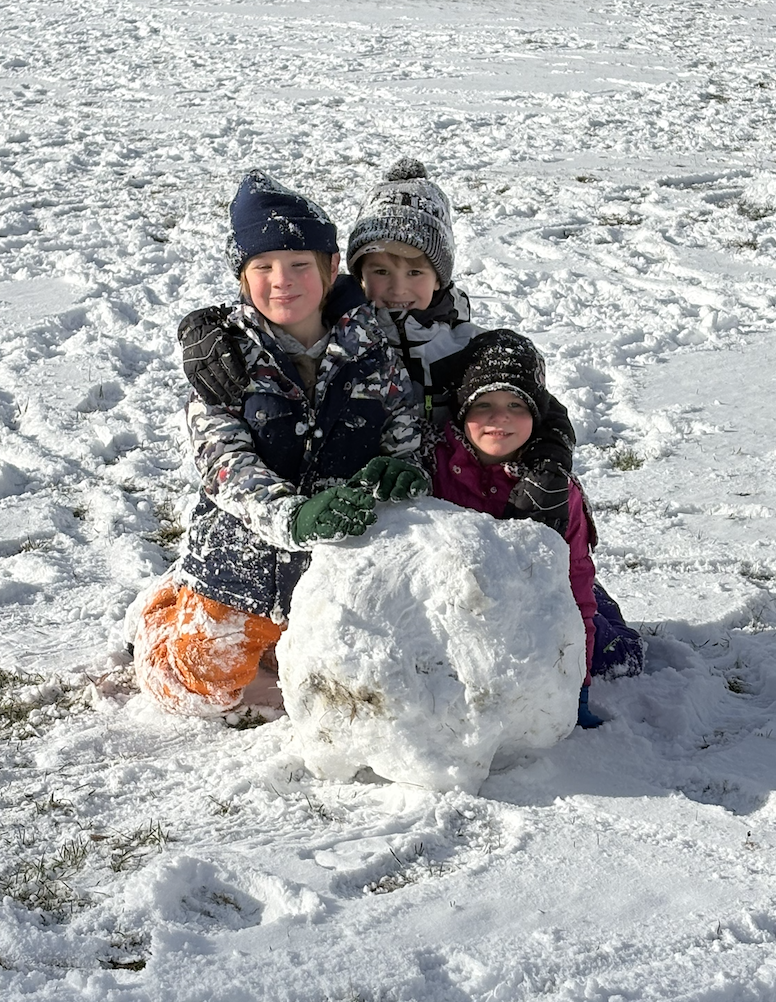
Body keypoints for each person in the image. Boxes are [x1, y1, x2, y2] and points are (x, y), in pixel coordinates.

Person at [130, 169, 428, 717]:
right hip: (245, 557)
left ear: (331, 267)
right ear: (243, 278)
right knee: (199, 686)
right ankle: (162, 611)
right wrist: (291, 516)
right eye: (262, 267)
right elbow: (222, 463)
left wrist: (402, 470)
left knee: (358, 682)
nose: (282, 281)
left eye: (298, 265)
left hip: (340, 555)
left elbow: (404, 432)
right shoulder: (223, 358)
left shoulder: (372, 349)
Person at [178, 158, 576, 537]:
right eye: (381, 271)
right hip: (337, 517)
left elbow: (532, 403)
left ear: (440, 276)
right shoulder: (351, 337)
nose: (398, 288)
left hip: (453, 501)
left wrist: (550, 456)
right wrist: (201, 326)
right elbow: (266, 311)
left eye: (416, 272)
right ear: (352, 272)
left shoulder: (461, 347)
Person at [422, 328, 644, 728]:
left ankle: (613, 623)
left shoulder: (555, 489)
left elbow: (573, 587)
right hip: (480, 598)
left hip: (548, 589)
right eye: (483, 404)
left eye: (515, 405)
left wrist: (577, 686)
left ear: (537, 414)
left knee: (616, 655)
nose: (499, 418)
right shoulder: (434, 467)